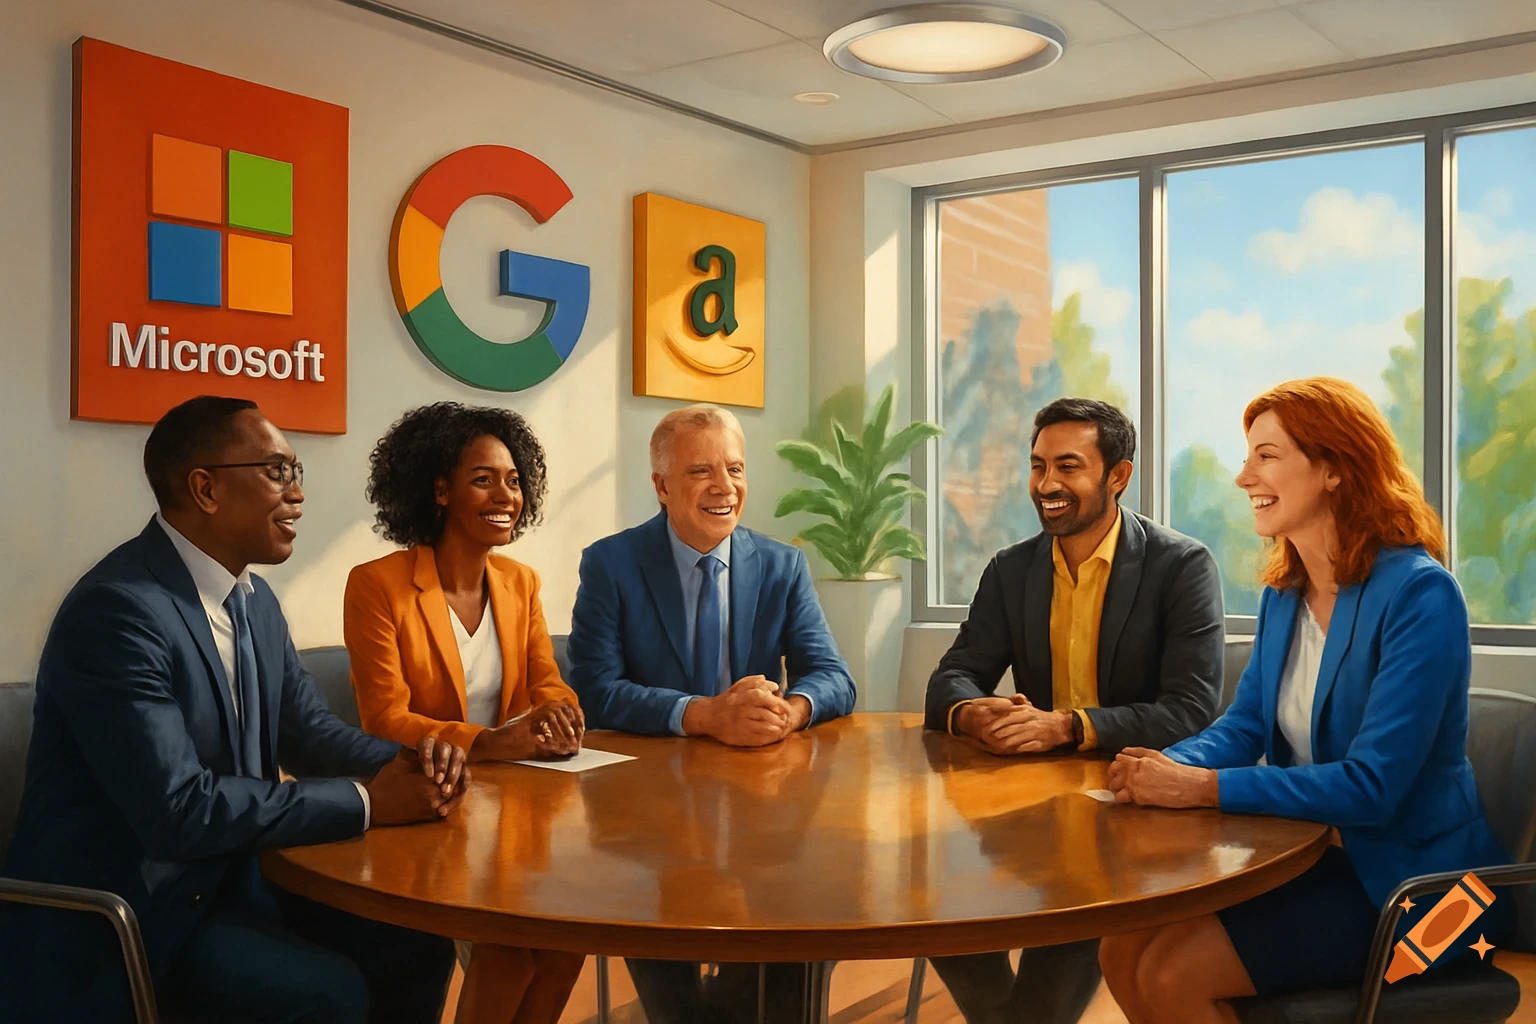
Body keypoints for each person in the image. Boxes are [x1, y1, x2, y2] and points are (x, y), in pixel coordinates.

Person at [0, 396, 469, 1024]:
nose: (298, 493)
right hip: (136, 913)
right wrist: (369, 802)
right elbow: (178, 811)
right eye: (278, 471)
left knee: (418, 944)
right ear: (206, 489)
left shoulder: (254, 599)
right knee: (327, 993)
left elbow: (308, 734)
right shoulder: (118, 611)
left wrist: (416, 760)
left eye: (296, 471)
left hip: (236, 881)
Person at [1099, 378, 1515, 1024]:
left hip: (1425, 893)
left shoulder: (1420, 595)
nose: (1244, 477)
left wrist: (1201, 789)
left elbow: (1372, 787)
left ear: (1333, 469)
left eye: (1266, 456)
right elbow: (1244, 726)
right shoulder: (1283, 595)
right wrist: (1162, 768)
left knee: (1173, 974)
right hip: (1317, 859)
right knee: (1121, 947)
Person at [923, 397, 1225, 1024]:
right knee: (930, 906)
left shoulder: (1181, 566)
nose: (1046, 484)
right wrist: (977, 712)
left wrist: (1067, 727)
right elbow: (952, 677)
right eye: (1038, 466)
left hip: (1130, 811)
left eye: (1068, 466)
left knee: (1047, 969)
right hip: (1026, 811)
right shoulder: (1011, 570)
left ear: (1118, 476)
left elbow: (1191, 709)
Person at [567, 403, 857, 1024]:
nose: (724, 487)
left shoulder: (781, 565)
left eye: (735, 469)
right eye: (701, 471)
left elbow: (834, 677)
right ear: (661, 486)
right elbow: (595, 691)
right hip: (647, 809)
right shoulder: (611, 564)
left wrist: (790, 711)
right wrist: (703, 715)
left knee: (803, 922)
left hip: (758, 807)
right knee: (659, 932)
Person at [344, 402, 587, 1024]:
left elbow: (548, 682)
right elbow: (384, 717)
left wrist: (560, 716)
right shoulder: (377, 585)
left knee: (565, 943)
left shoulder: (521, 582)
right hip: (429, 804)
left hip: (511, 809)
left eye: (513, 480)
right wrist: (492, 743)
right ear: (440, 490)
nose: (505, 495)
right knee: (509, 952)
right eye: (483, 479)